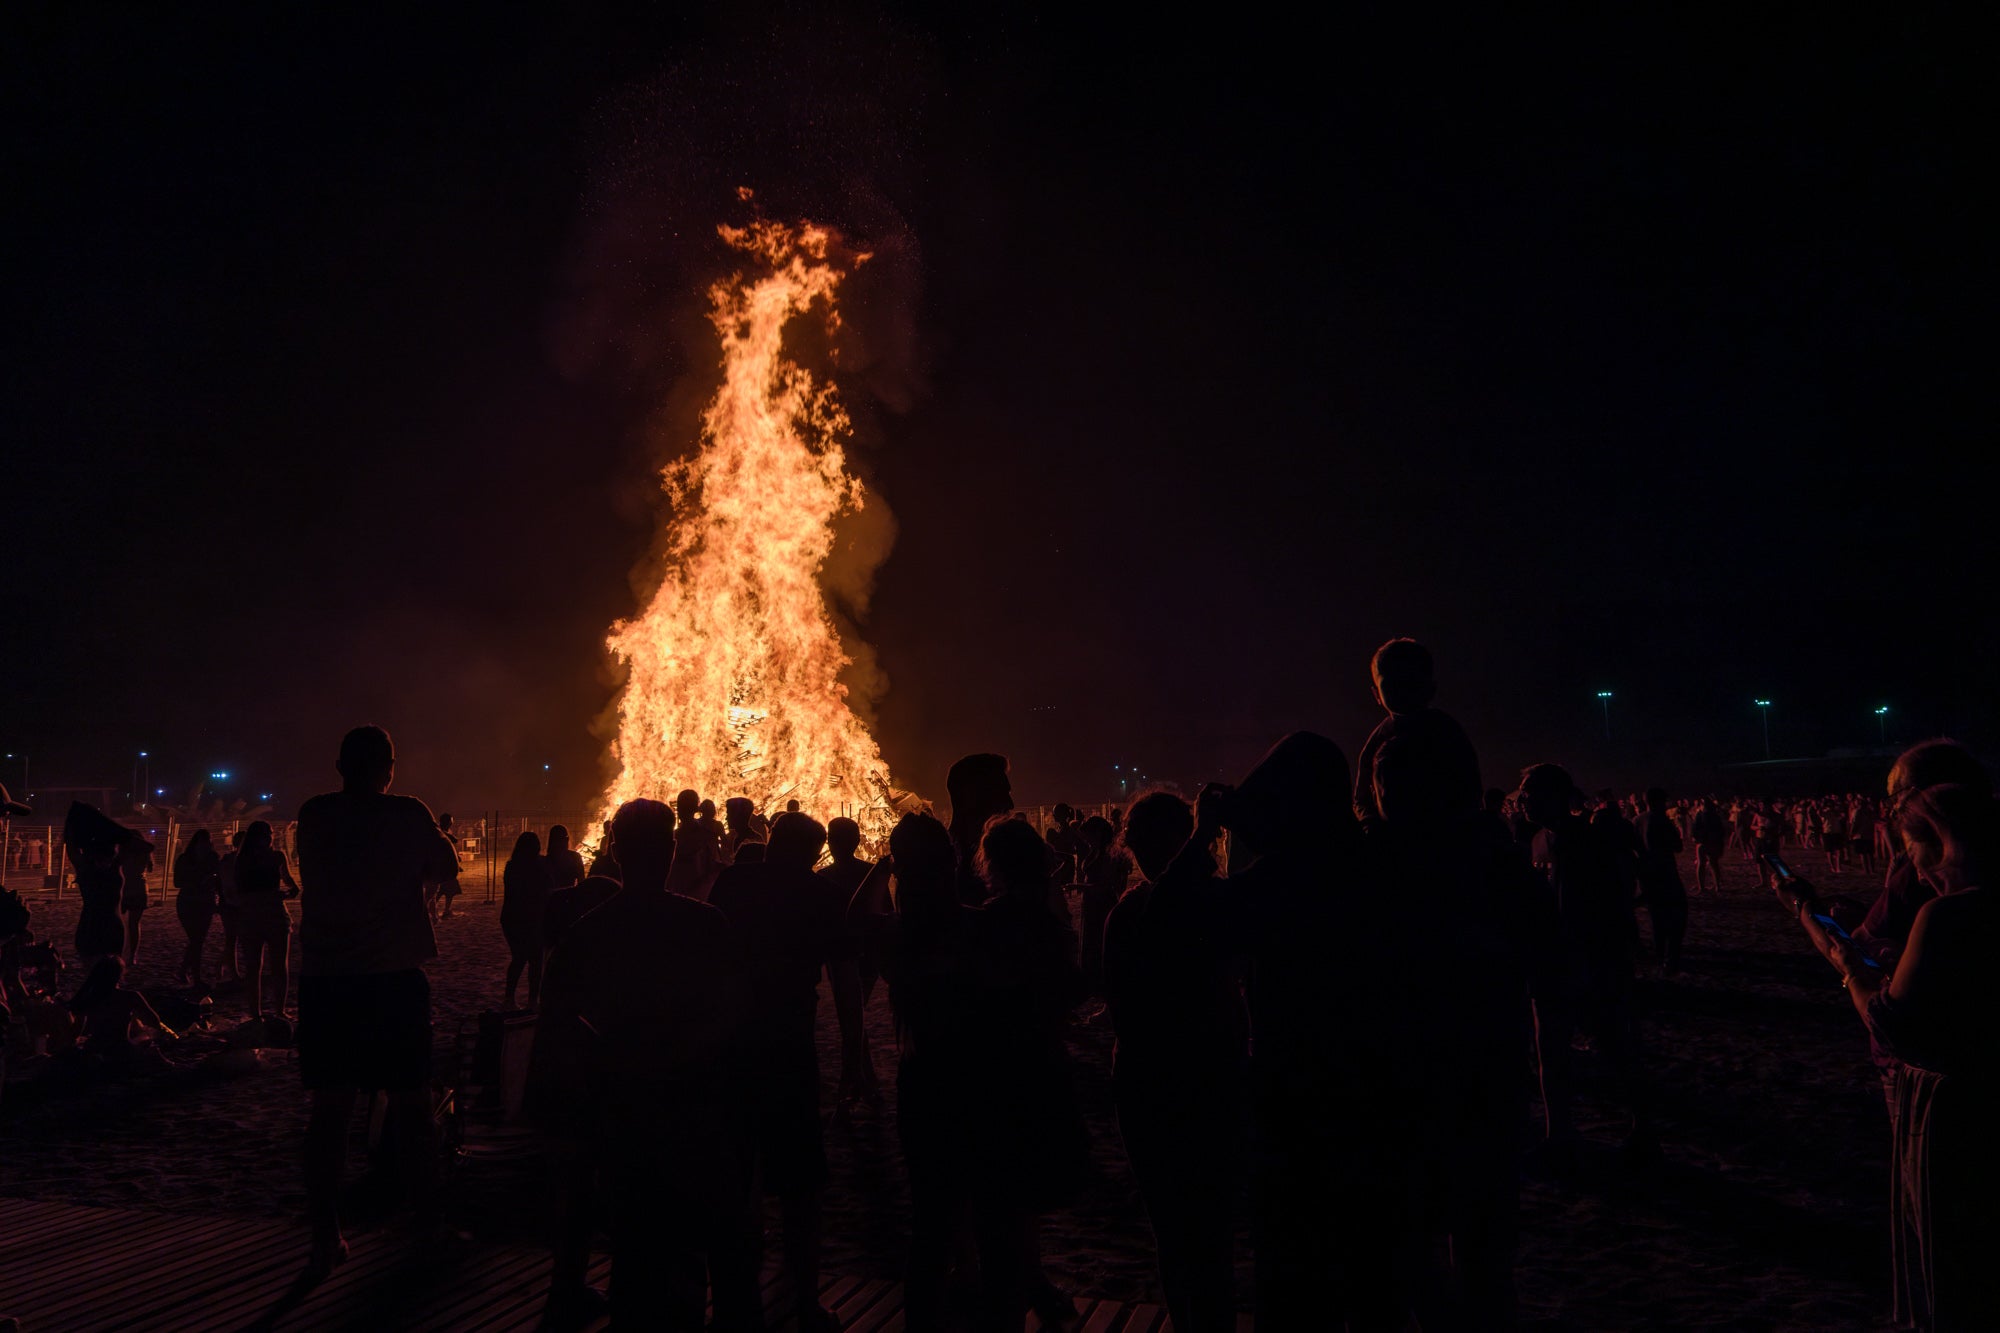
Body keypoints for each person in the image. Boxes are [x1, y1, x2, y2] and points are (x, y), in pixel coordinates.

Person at [1151, 732, 1392, 1330]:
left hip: (1296, 1084)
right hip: (1378, 1084)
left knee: (1292, 1263)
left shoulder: (1291, 877)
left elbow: (1170, 916)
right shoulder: (1371, 860)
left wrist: (1205, 831)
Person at [528, 798, 760, 1331]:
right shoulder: (705, 925)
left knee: (634, 1242)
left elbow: (558, 1025)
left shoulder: (588, 934)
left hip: (621, 1110)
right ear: (672, 849)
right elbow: (735, 1012)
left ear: (613, 851)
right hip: (689, 1109)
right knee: (685, 1245)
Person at [1778, 783, 2000, 1331]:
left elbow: (1891, 1023)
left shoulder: (1948, 914)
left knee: (1956, 1263)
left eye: (1912, 849)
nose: (1913, 869)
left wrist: (1849, 965)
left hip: (1957, 1111)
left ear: (1943, 841)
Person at [294, 725, 459, 1278]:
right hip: (390, 979)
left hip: (326, 979)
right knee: (412, 1106)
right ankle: (429, 1226)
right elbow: (445, 867)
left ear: (340, 766)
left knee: (330, 1110)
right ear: (389, 768)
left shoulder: (314, 814)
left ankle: (325, 1237)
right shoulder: (408, 813)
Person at [708, 812, 865, 1333]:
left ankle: (735, 1304)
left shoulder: (732, 881)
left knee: (736, 1172)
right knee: (801, 1184)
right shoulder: (820, 895)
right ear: (815, 852)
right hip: (788, 1047)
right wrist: (852, 1051)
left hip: (731, 1044)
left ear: (771, 842)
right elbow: (844, 980)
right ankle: (803, 1302)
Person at [1102, 790, 1245, 1333]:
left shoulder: (1133, 911)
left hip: (1151, 1077)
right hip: (1212, 1071)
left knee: (1173, 1227)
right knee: (1212, 1227)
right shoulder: (1215, 899)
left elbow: (1120, 998)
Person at [846, 813, 982, 1330]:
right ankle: (976, 1282)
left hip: (923, 1083)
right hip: (979, 1079)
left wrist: (884, 864)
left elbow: (855, 918)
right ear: (949, 865)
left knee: (929, 1215)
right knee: (984, 1202)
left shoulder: (898, 937)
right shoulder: (978, 926)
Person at [971, 815, 1090, 1330]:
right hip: (1039, 1062)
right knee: (1025, 1191)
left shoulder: (989, 920)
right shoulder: (1043, 921)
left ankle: (1015, 1290)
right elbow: (1073, 989)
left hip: (999, 1070)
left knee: (1002, 1194)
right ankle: (1030, 1280)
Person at [1516, 763, 1650, 1171]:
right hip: (1550, 965)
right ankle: (1559, 1134)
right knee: (1551, 1054)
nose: (1523, 801)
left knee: (1616, 1049)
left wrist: (1604, 963)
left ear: (1556, 796)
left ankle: (1644, 1132)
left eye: (1530, 793)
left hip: (1593, 965)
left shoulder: (1589, 842)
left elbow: (1609, 907)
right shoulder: (1538, 840)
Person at [1352, 637, 1482, 827]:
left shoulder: (1445, 731)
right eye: (1393, 684)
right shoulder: (1379, 738)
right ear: (1376, 695)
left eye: (1410, 682)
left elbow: (1469, 787)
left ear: (1430, 689)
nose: (1402, 691)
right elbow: (1361, 799)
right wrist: (1372, 825)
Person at [818, 815, 880, 1098]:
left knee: (850, 1020)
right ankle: (867, 1080)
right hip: (867, 955)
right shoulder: (873, 873)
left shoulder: (823, 878)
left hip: (842, 956)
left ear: (831, 842)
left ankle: (853, 1083)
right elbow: (884, 915)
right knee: (855, 1017)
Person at [235, 820, 299, 1022]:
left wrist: (288, 892)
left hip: (254, 913)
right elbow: (291, 885)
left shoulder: (243, 859)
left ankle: (259, 1012)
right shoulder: (273, 857)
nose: (271, 837)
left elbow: (238, 889)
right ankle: (275, 1010)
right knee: (275, 965)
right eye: (268, 834)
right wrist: (285, 893)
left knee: (257, 966)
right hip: (270, 912)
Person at [68, 955, 174, 1055]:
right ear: (120, 974)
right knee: (151, 1034)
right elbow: (154, 1020)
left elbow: (77, 1029)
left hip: (95, 1046)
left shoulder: (88, 997)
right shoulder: (130, 996)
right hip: (121, 1048)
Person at [946, 753, 1013, 904]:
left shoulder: (1001, 854)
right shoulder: (945, 867)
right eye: (1001, 794)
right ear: (972, 798)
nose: (1010, 804)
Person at [1074, 814, 1129, 997]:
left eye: (1088, 836)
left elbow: (1106, 886)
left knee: (1099, 944)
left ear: (1097, 834)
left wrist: (1079, 886)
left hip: (1101, 905)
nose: (1086, 841)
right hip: (1091, 903)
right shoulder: (1095, 850)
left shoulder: (1107, 854)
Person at [1637, 788, 1689, 973]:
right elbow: (1678, 846)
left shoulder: (1638, 820)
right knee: (1676, 915)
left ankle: (1660, 954)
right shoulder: (1661, 820)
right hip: (1665, 873)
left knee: (1656, 917)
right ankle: (1671, 957)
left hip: (1646, 875)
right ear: (1660, 802)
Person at [500, 831, 552, 1009]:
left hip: (512, 918)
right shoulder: (540, 866)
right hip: (530, 917)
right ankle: (531, 1000)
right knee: (534, 961)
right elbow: (546, 889)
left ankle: (510, 999)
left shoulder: (511, 866)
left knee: (519, 958)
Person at [172, 829, 222, 986]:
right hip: (188, 901)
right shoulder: (185, 859)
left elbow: (219, 879)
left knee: (197, 940)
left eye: (207, 843)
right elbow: (177, 882)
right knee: (196, 939)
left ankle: (186, 972)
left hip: (205, 902)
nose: (205, 846)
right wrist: (198, 882)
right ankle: (192, 975)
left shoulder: (213, 858)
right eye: (202, 843)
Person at [118, 834, 155, 966]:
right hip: (139, 887)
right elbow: (150, 868)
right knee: (134, 924)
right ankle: (133, 955)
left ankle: (121, 953)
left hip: (125, 888)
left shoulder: (123, 852)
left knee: (121, 924)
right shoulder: (144, 853)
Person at [216, 830, 245, 983]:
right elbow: (226, 883)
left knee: (234, 938)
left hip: (233, 902)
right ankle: (233, 973)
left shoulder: (230, 859)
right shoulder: (230, 860)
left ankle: (223, 966)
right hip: (232, 903)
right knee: (232, 938)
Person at [1690, 797, 1728, 895]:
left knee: (1701, 864)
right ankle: (1717, 886)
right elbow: (1721, 830)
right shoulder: (1715, 816)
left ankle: (1702, 887)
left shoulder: (1700, 815)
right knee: (1713, 864)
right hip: (1713, 842)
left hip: (1703, 842)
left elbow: (1695, 828)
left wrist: (1696, 838)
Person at [434, 813, 463, 920]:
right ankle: (432, 910)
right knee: (440, 891)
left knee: (447, 890)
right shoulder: (439, 832)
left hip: (447, 867)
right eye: (451, 821)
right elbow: (453, 840)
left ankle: (446, 910)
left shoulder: (444, 832)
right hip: (443, 867)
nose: (452, 823)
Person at [544, 824, 586, 891]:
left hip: (551, 898)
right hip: (569, 897)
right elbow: (582, 882)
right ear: (566, 839)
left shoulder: (546, 861)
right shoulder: (575, 857)